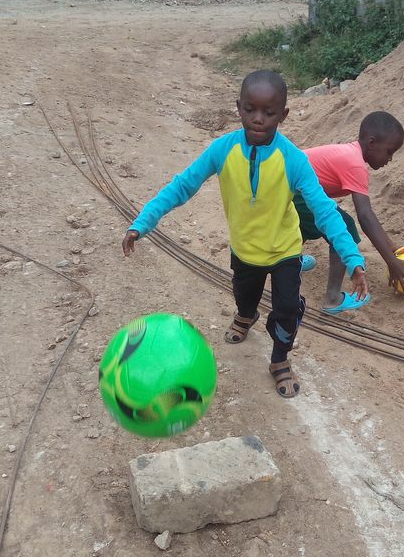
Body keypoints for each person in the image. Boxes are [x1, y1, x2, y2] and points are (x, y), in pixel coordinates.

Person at [122, 70, 369, 398]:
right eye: (250, 109)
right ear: (239, 107)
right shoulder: (222, 150)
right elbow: (182, 186)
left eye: (269, 112)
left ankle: (279, 359)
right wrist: (142, 222)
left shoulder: (293, 160)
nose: (258, 119)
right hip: (244, 250)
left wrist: (353, 259)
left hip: (284, 251)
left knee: (287, 310)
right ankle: (246, 315)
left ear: (283, 115)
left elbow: (325, 211)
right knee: (244, 296)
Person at [295, 111, 404, 313]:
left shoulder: (350, 154)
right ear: (372, 143)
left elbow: (368, 215)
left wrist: (392, 248)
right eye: (389, 151)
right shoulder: (355, 165)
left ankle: (291, 261)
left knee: (304, 221)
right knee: (344, 226)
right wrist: (391, 262)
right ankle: (332, 298)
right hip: (293, 190)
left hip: (289, 188)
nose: (390, 159)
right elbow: (365, 217)